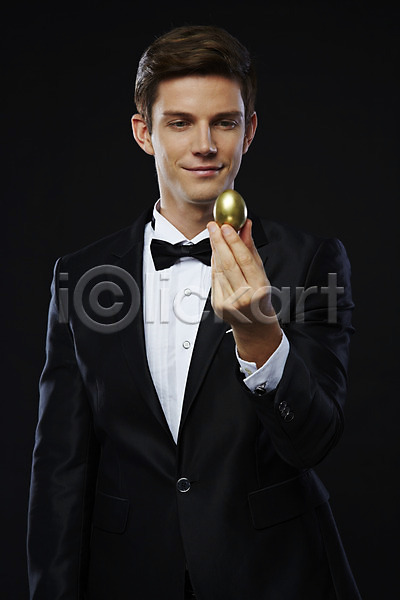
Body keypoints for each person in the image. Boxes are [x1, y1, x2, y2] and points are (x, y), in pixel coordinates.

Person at [27, 24, 362, 599]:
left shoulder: (313, 261)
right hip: (128, 579)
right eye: (180, 122)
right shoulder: (80, 276)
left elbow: (314, 443)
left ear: (248, 131)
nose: (204, 144)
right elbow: (61, 467)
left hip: (273, 577)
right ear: (145, 132)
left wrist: (261, 339)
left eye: (224, 122)